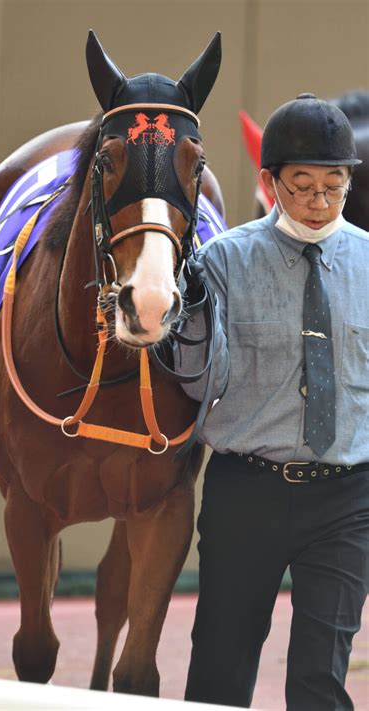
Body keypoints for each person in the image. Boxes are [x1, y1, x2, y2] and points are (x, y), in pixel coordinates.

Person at [179, 94, 369, 710]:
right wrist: (180, 311)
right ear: (270, 181)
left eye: (333, 186)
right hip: (247, 490)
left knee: (321, 676)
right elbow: (194, 380)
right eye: (303, 185)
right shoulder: (221, 263)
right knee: (220, 666)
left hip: (349, 497)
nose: (319, 202)